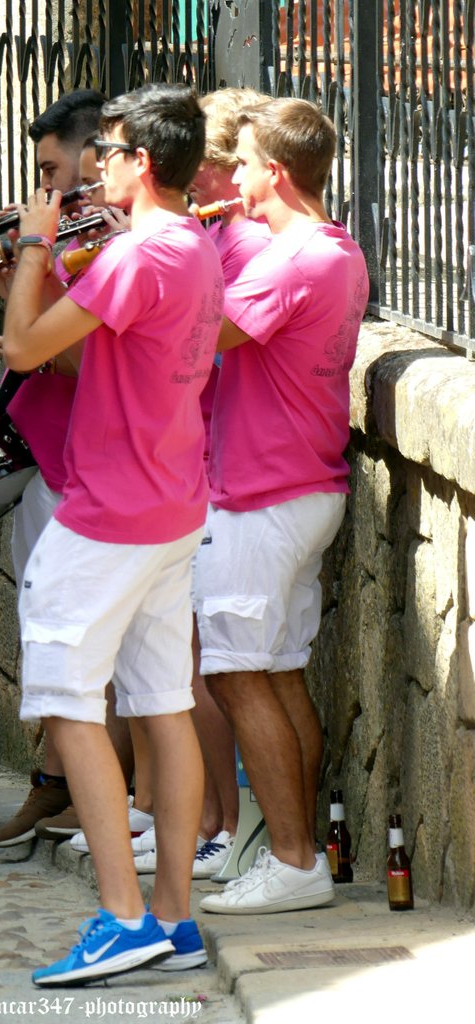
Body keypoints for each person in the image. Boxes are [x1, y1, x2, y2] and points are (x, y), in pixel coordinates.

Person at [0, 83, 224, 985]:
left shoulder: (136, 258)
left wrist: (31, 245)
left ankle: (122, 914)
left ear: (142, 164)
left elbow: (19, 349)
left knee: (69, 703)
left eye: (110, 152)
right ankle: (173, 917)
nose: (96, 168)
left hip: (107, 517)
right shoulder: (196, 247)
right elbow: (93, 348)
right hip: (172, 505)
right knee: (162, 705)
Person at [194, 97, 369, 915]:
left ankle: (293, 860)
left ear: (278, 171)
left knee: (235, 675)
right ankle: (294, 854)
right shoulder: (334, 250)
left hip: (264, 496)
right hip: (300, 489)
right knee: (278, 673)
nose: (234, 176)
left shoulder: (288, 260)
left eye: (246, 162)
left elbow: (197, 341)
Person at [0, 92, 141, 848]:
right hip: (49, 458)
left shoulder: (116, 246)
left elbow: (80, 356)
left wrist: (31, 274)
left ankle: (97, 795)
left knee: (91, 648)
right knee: (46, 636)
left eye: (52, 171)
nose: (42, 190)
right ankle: (56, 782)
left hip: (97, 475)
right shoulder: (77, 240)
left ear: (93, 162)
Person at [132, 86, 272, 882]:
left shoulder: (239, 246)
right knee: (185, 659)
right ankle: (211, 816)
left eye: (213, 172)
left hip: (220, 468)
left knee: (208, 663)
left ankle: (227, 820)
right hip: (199, 463)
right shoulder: (217, 242)